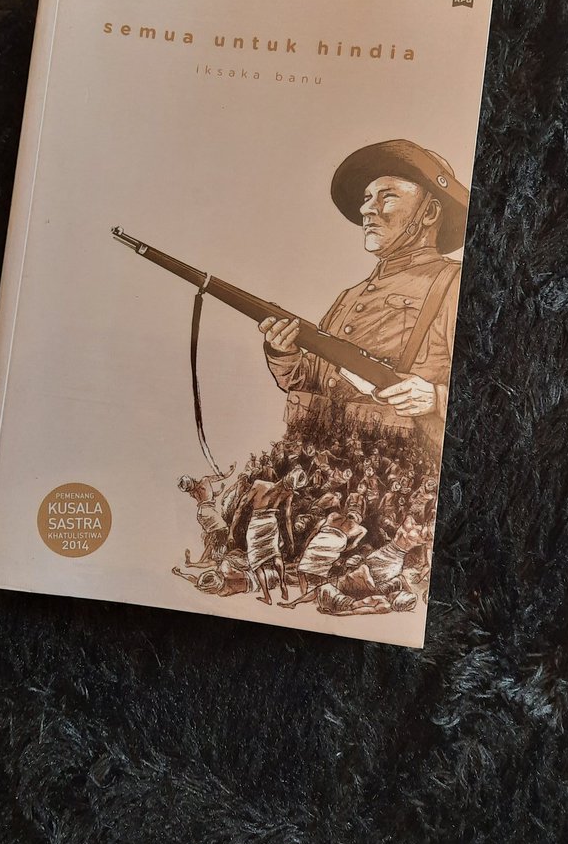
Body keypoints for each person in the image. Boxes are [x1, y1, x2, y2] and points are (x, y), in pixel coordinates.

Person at [259, 139, 468, 446]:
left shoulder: (455, 283)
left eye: (387, 197)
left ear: (430, 212)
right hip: (321, 456)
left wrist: (437, 398)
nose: (365, 209)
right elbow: (315, 382)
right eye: (367, 198)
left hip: (403, 465)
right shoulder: (349, 297)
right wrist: (284, 352)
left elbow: (493, 391)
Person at [229, 468, 306, 605]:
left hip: (257, 523)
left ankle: (267, 596)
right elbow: (287, 518)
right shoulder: (288, 493)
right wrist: (291, 540)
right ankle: (283, 583)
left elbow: (240, 507)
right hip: (271, 522)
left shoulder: (259, 484)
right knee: (275, 554)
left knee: (256, 561)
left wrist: (231, 531)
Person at [178, 465, 236, 567]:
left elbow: (211, 494)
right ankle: (204, 561)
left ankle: (199, 561)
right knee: (223, 531)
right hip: (208, 512)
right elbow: (223, 476)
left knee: (214, 538)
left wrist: (221, 490)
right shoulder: (205, 480)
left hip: (201, 514)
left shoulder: (194, 492)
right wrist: (232, 469)